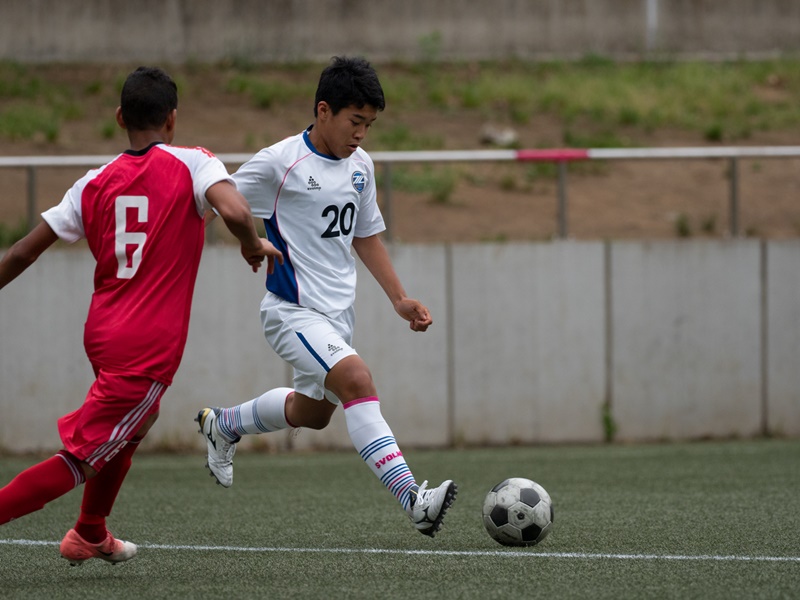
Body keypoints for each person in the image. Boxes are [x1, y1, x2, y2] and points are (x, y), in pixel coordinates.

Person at [0, 66, 282, 565]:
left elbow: (23, 251)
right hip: (144, 348)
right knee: (83, 457)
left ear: (119, 118)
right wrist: (251, 243)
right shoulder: (193, 163)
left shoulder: (92, 183)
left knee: (136, 423)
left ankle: (90, 531)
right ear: (172, 119)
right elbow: (238, 212)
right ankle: (82, 528)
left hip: (103, 332)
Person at [196, 56, 457, 538]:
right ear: (323, 111)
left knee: (312, 414)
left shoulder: (361, 166)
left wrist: (399, 299)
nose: (361, 133)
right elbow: (215, 202)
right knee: (357, 379)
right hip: (291, 313)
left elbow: (365, 235)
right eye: (355, 121)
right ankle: (414, 501)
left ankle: (225, 424)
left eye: (369, 124)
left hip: (338, 318)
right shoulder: (280, 162)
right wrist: (239, 241)